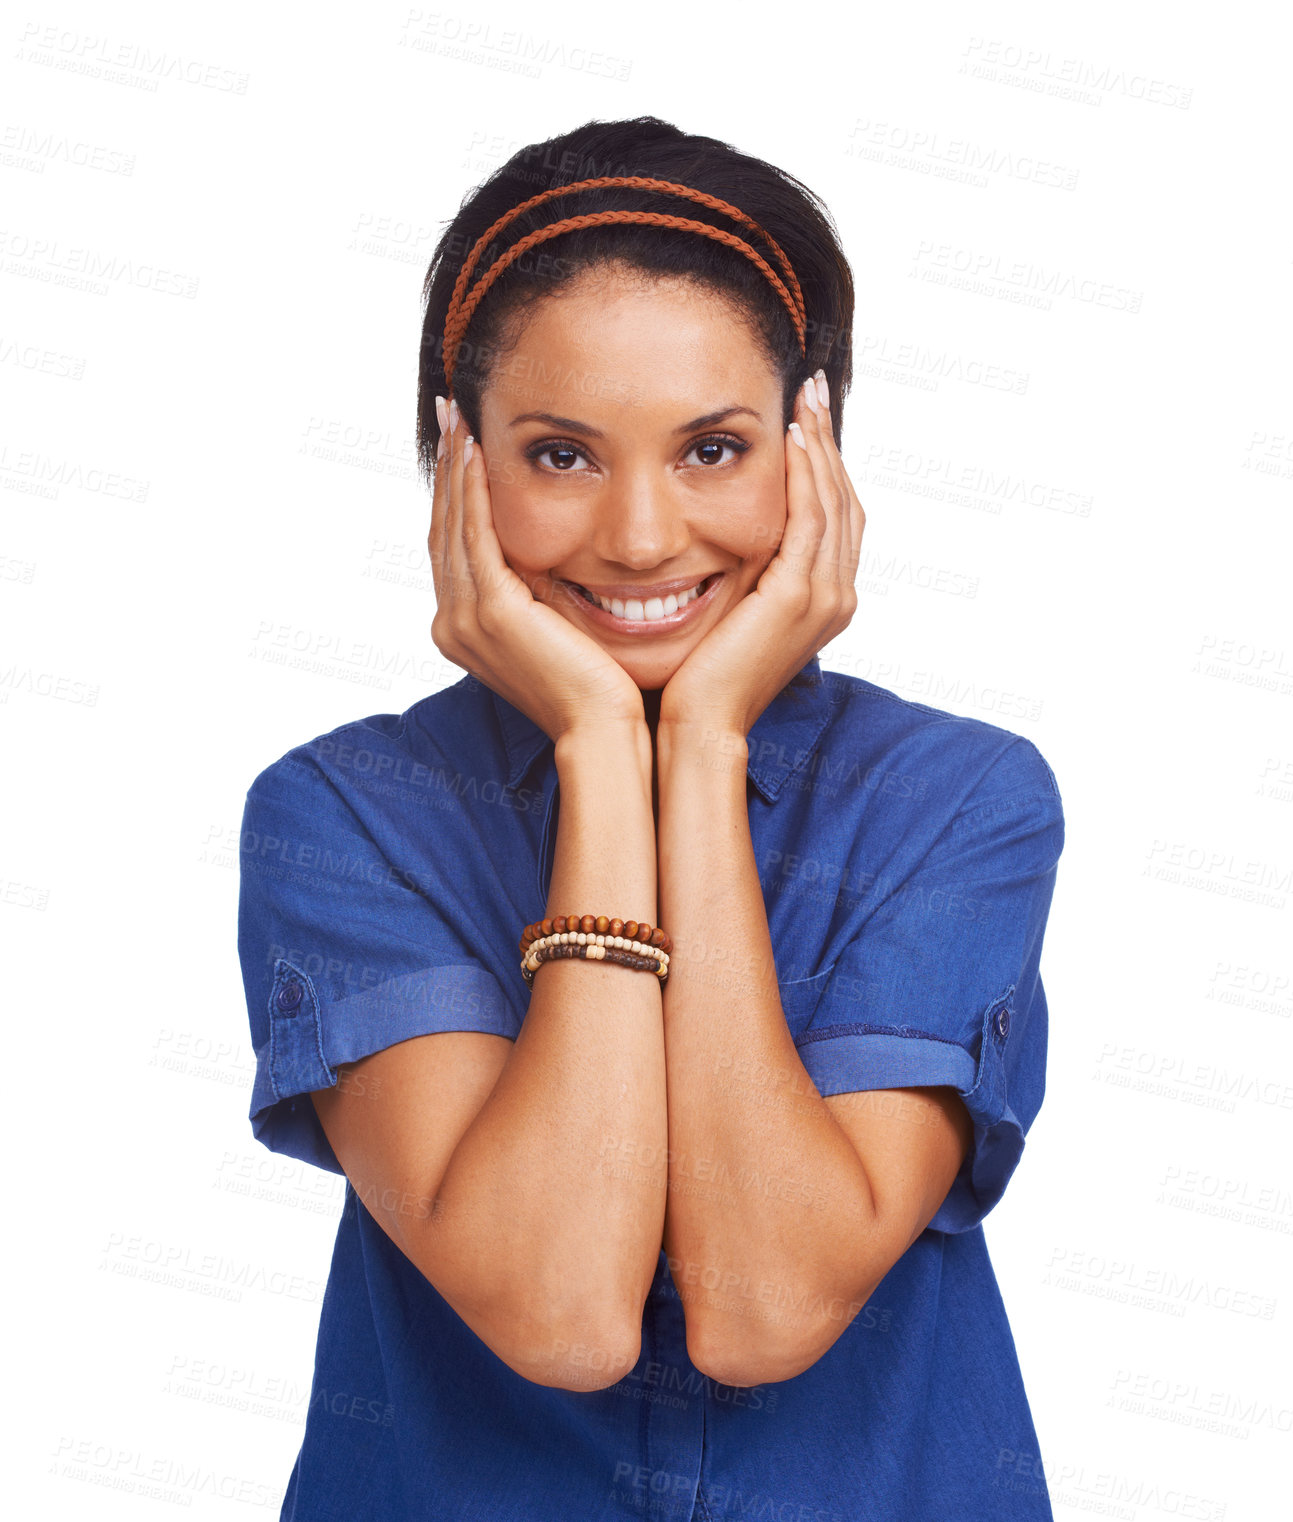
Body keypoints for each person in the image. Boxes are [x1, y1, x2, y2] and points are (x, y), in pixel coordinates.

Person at [237, 116, 1065, 1521]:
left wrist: (701, 746)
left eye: (711, 449)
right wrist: (600, 749)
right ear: (457, 463)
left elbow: (764, 1304)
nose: (635, 537)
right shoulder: (347, 814)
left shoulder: (957, 801)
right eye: (559, 454)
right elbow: (560, 1311)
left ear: (814, 451)